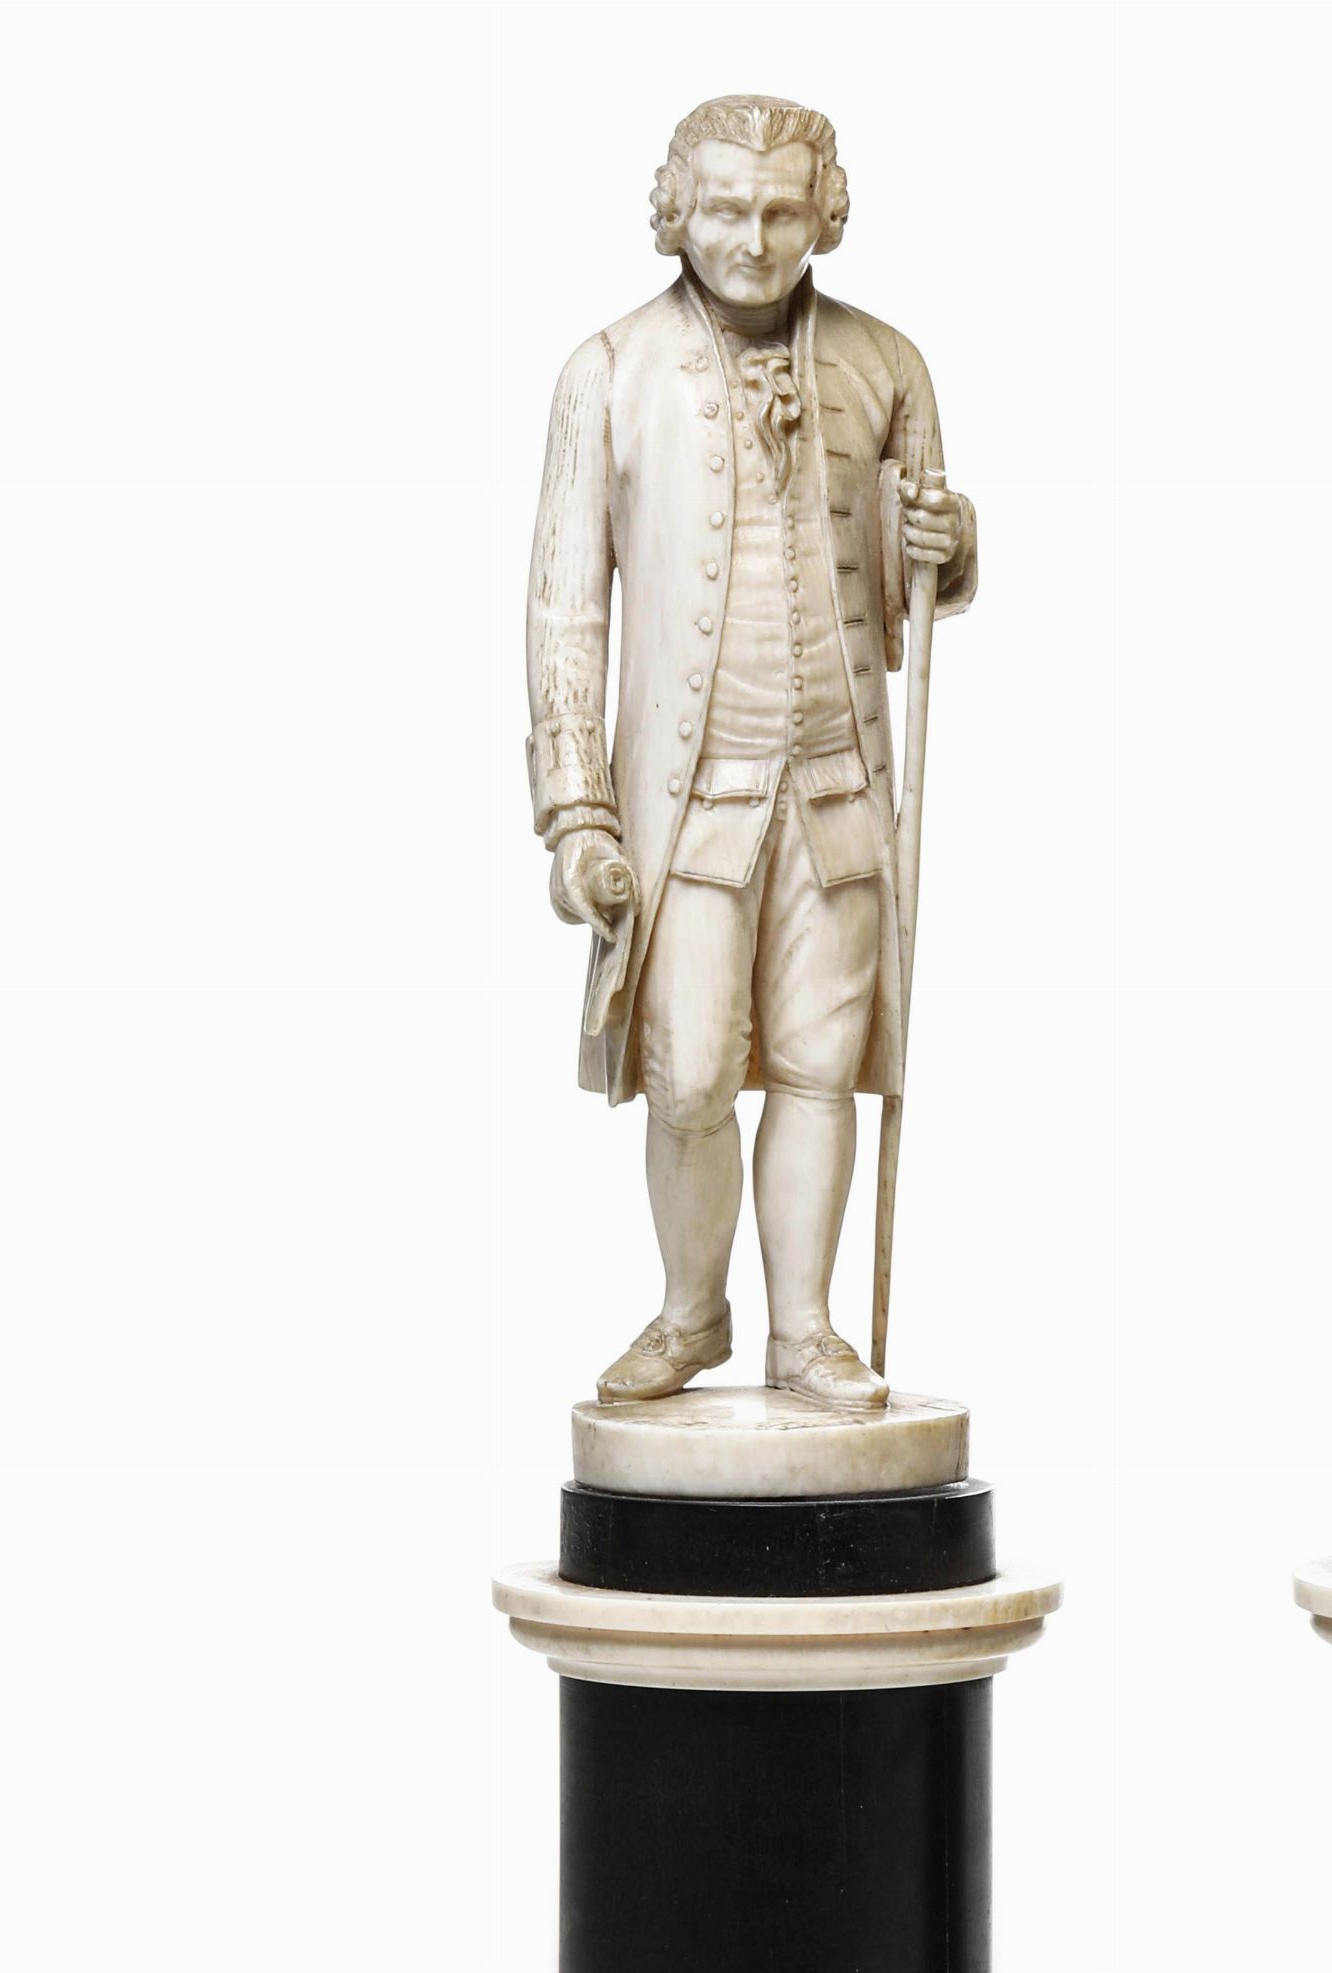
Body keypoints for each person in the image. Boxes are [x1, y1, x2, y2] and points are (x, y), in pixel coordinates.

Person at [526, 94, 973, 1405]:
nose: (753, 238)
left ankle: (806, 1330)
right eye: (725, 209)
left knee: (823, 1066)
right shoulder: (607, 372)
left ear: (823, 217)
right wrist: (577, 813)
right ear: (678, 211)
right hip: (688, 798)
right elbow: (565, 610)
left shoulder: (888, 365)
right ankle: (691, 1312)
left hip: (837, 781)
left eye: (782, 211)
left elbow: (914, 573)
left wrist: (948, 546)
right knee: (689, 1072)